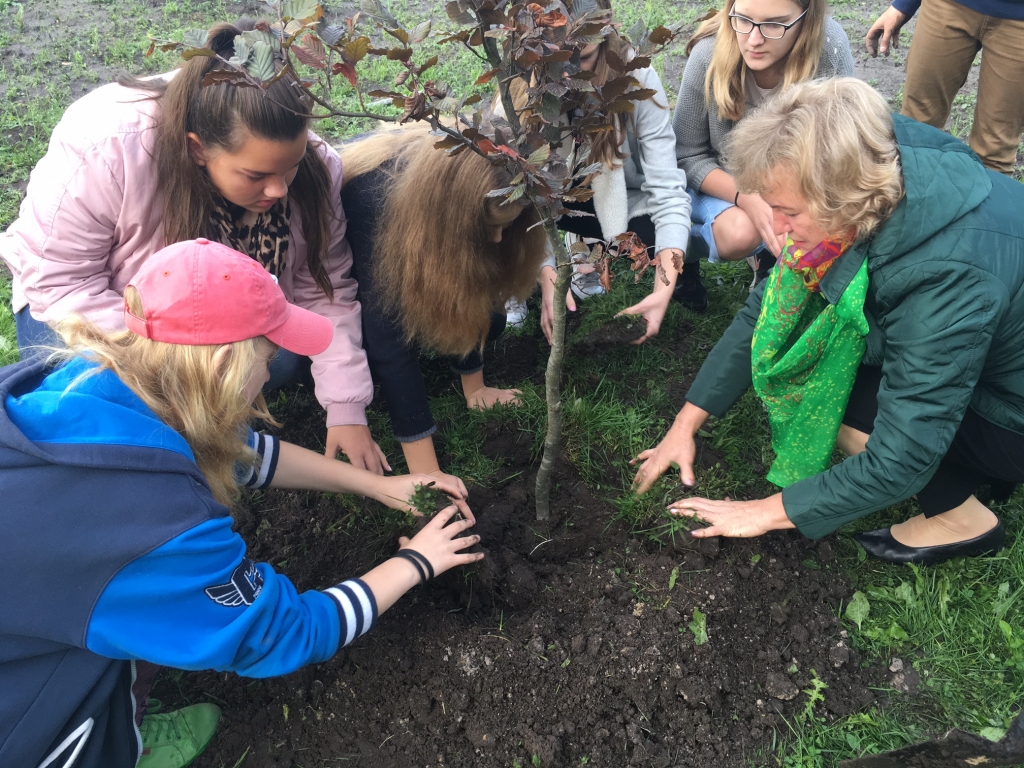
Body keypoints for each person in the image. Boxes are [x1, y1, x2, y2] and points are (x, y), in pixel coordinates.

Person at [0, 238, 482, 768]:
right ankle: (117, 736)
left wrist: (377, 485)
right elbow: (283, 633)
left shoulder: (97, 386)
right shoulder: (155, 526)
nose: (270, 374)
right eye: (270, 358)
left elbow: (239, 453)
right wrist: (416, 561)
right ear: (225, 362)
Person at [633, 78, 1024, 566]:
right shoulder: (876, 158)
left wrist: (761, 512)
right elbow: (766, 311)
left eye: (787, 212)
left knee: (829, 387)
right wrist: (685, 423)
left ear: (843, 199)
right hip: (992, 357)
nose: (775, 227)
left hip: (1014, 414)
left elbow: (900, 457)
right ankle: (972, 466)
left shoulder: (942, 277)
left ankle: (961, 520)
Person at [0, 20, 389, 475]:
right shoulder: (107, 147)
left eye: (291, 167)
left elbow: (326, 289)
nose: (280, 190)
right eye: (256, 176)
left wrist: (346, 408)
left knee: (278, 363)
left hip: (213, 323)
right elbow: (61, 284)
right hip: (95, 316)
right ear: (198, 149)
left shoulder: (313, 165)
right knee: (120, 409)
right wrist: (180, 357)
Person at [338, 125, 547, 486]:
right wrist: (427, 472)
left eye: (506, 226)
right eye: (490, 227)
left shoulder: (470, 198)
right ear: (452, 219)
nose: (499, 238)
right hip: (350, 280)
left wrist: (476, 390)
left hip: (421, 228)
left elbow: (468, 286)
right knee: (378, 350)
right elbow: (387, 337)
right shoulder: (372, 200)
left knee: (494, 321)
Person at [502, 0, 695, 333]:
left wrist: (663, 288)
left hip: (613, 198)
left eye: (584, 57)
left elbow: (669, 191)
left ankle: (586, 248)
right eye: (555, 60)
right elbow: (526, 193)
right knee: (501, 205)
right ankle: (513, 282)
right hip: (548, 199)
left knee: (651, 238)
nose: (568, 75)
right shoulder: (520, 81)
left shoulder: (635, 77)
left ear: (606, 33)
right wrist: (547, 274)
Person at [673, 0, 854, 285]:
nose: (754, 40)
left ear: (807, 18)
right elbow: (686, 155)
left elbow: (841, 149)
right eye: (743, 19)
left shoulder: (829, 48)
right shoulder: (708, 54)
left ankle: (773, 264)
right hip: (720, 181)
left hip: (795, 181)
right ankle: (677, 254)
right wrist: (748, 198)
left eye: (774, 24)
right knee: (741, 233)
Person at [866, 0, 1024, 175]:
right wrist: (903, 5)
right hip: (945, 6)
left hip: (1019, 21)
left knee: (995, 154)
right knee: (915, 132)